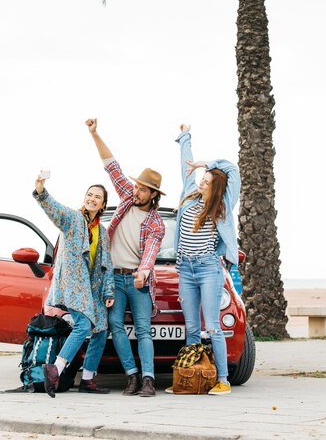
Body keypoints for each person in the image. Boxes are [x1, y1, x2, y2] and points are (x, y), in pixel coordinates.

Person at [86, 118, 166, 397]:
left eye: (143, 189)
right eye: (136, 187)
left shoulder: (157, 223)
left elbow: (151, 254)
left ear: (153, 194)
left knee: (144, 329)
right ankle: (131, 375)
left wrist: (143, 273)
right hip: (113, 278)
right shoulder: (125, 198)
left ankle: (147, 379)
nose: (136, 191)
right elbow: (112, 166)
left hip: (137, 280)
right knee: (115, 326)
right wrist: (95, 134)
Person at [168, 124, 240, 396]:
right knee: (192, 329)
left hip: (209, 268)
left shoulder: (222, 206)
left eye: (207, 181)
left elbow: (232, 168)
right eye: (202, 178)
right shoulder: (189, 196)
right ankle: (190, 378)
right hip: (186, 268)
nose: (201, 182)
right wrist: (185, 139)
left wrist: (207, 163)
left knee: (213, 326)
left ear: (216, 186)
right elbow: (184, 167)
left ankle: (223, 380)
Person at [33, 175, 114, 398]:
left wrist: (108, 291)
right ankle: (56, 369)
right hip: (73, 283)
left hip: (92, 288)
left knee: (101, 328)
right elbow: (54, 209)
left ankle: (88, 378)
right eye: (90, 195)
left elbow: (106, 263)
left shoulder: (103, 232)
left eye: (97, 197)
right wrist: (41, 191)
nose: (92, 199)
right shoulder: (73, 218)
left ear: (103, 204)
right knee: (84, 325)